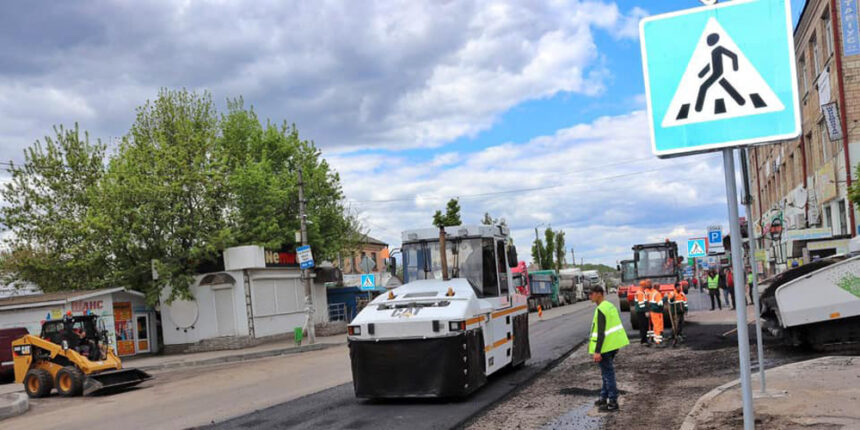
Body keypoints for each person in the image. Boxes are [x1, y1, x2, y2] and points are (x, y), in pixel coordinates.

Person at [588, 285, 629, 412]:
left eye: (592, 293)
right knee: (605, 373)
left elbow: (601, 333)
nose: (590, 296)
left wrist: (597, 351)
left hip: (605, 347)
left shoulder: (601, 309)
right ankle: (603, 397)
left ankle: (612, 401)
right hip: (613, 345)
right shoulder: (609, 306)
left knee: (608, 374)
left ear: (599, 294)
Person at [648, 282, 664, 346]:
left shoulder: (651, 293)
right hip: (657, 312)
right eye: (659, 286)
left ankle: (655, 339)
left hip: (653, 312)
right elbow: (660, 304)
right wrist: (665, 298)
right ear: (657, 287)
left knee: (655, 326)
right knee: (658, 326)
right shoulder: (657, 294)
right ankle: (658, 341)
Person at [635, 280, 650, 345]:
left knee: (644, 326)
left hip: (641, 311)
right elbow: (641, 304)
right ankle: (644, 340)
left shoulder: (642, 292)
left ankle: (644, 339)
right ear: (643, 286)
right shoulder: (640, 293)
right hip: (641, 312)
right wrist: (646, 311)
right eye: (645, 285)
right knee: (643, 326)